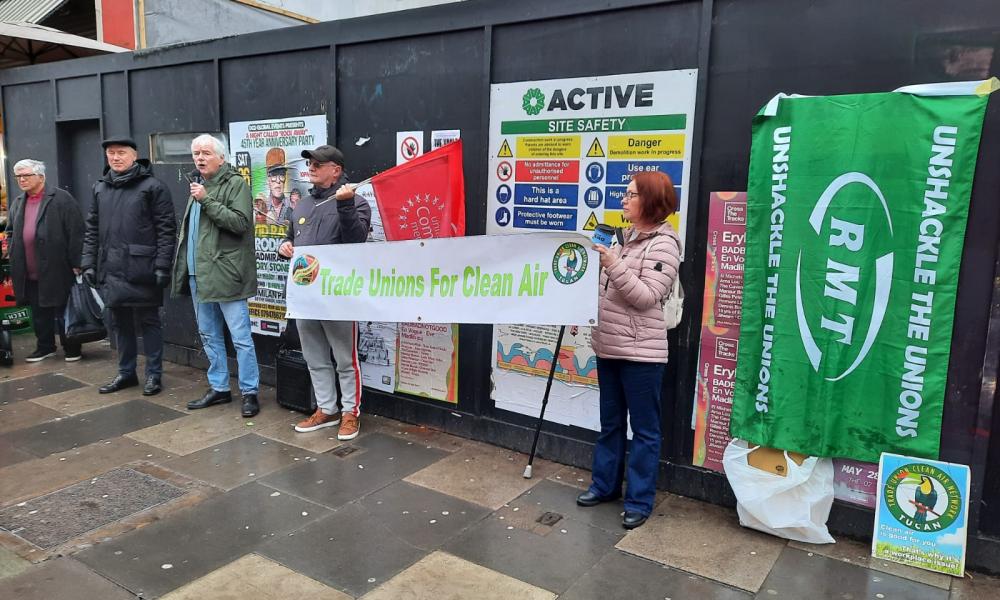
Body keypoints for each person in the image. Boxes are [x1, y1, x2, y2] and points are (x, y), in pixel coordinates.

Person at [576, 171, 682, 530]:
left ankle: (639, 500)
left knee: (645, 431)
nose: (624, 199)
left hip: (641, 356)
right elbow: (609, 291)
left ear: (650, 201)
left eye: (632, 194)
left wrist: (612, 262)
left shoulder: (665, 245)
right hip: (609, 347)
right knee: (610, 425)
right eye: (625, 193)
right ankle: (604, 486)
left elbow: (645, 297)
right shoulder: (624, 239)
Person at [278, 144, 370, 440]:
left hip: (338, 296)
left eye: (318, 163)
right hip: (306, 296)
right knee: (315, 356)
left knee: (345, 359)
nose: (312, 167)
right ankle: (326, 409)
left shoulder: (355, 201)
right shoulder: (302, 205)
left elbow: (356, 240)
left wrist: (344, 204)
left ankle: (349, 413)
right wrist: (284, 248)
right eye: (310, 163)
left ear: (336, 170)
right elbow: (291, 239)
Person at [172, 134, 260, 417]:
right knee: (209, 334)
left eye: (206, 153)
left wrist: (207, 200)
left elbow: (240, 223)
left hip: (227, 274)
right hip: (200, 275)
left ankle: (250, 392)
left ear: (221, 157)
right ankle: (220, 388)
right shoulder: (200, 186)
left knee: (241, 337)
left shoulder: (235, 184)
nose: (199, 158)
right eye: (196, 153)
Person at [81, 138, 176, 395]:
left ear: (134, 156)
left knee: (149, 321)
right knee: (119, 322)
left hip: (142, 266)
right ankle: (126, 373)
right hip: (111, 266)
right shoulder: (100, 188)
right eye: (111, 153)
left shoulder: (153, 187)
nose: (115, 157)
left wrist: (162, 266)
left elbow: (167, 230)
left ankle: (154, 375)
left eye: (121, 153)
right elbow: (91, 228)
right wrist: (88, 262)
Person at [5, 159, 84, 362]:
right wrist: (12, 246)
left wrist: (78, 262)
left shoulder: (61, 199)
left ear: (41, 176)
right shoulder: (18, 202)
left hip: (58, 267)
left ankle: (72, 347)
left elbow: (76, 232)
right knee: (39, 310)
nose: (21, 180)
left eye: (26, 175)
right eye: (18, 176)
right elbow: (11, 230)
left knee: (64, 309)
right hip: (28, 269)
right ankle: (45, 347)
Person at [264, 147, 291, 226]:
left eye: (281, 175)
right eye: (274, 175)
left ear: (285, 179)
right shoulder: (261, 206)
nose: (278, 181)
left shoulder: (292, 204)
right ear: (267, 180)